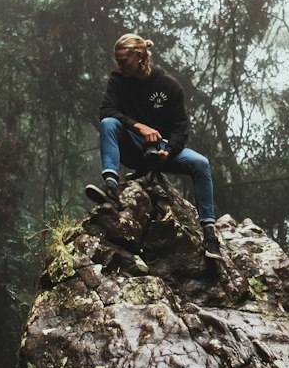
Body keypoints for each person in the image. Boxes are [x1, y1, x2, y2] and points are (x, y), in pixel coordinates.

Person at [86, 33, 224, 261]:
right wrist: (139, 127)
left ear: (139, 56)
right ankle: (111, 184)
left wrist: (167, 152)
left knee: (201, 163)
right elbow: (107, 110)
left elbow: (181, 129)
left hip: (162, 150)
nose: (118, 65)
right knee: (108, 123)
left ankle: (209, 234)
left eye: (123, 61)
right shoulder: (117, 80)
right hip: (132, 144)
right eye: (117, 60)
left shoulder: (169, 86)